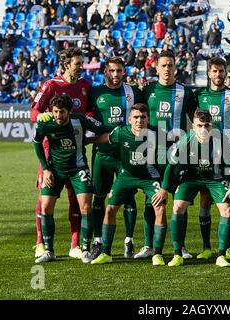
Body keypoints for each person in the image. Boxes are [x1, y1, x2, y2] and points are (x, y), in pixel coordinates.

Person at [30, 48, 94, 260]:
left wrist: (84, 123)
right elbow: (34, 112)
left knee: (77, 199)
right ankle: (41, 243)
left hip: (76, 150)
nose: (81, 66)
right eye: (77, 63)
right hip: (51, 152)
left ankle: (75, 244)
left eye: (81, 63)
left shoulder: (85, 86)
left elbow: (91, 111)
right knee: (45, 198)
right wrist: (46, 117)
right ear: (66, 65)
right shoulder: (51, 85)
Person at [154, 109, 230, 267]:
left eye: (207, 125)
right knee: (177, 208)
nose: (203, 129)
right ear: (193, 126)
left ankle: (221, 255)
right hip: (191, 178)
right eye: (199, 125)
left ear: (212, 125)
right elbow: (171, 167)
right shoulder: (186, 140)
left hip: (214, 178)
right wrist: (164, 189)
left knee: (227, 210)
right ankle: (177, 254)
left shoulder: (222, 140)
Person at [33, 94, 110, 263]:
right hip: (55, 170)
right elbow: (37, 142)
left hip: (78, 169)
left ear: (70, 111)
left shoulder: (80, 120)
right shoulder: (46, 122)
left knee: (86, 206)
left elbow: (104, 128)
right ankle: (49, 251)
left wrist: (125, 127)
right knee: (45, 207)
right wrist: (45, 169)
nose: (58, 116)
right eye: (55, 112)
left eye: (62, 112)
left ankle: (85, 250)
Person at [89, 103, 168, 266]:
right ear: (130, 119)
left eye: (143, 117)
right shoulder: (121, 132)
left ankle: (157, 253)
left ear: (148, 119)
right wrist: (87, 140)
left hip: (149, 176)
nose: (139, 120)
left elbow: (167, 161)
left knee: (159, 208)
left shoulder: (157, 133)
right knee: (110, 209)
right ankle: (106, 252)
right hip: (126, 176)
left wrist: (164, 187)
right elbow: (105, 138)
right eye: (136, 117)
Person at [140, 50, 196, 259]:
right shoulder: (148, 90)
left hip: (178, 153)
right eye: (163, 65)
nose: (166, 69)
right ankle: (148, 245)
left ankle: (180, 246)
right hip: (153, 152)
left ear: (175, 67)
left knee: (179, 200)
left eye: (170, 65)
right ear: (156, 67)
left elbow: (194, 122)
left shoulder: (185, 92)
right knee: (151, 200)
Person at [88, 57, 143, 261]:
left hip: (126, 153)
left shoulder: (132, 92)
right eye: (112, 71)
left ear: (124, 72)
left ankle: (129, 240)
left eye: (119, 70)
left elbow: (144, 114)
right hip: (102, 153)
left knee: (128, 196)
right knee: (99, 196)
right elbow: (86, 116)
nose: (116, 74)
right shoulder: (95, 92)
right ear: (105, 72)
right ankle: (98, 241)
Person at [193, 57, 230, 260]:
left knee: (228, 200)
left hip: (227, 155)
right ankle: (206, 247)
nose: (218, 74)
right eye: (214, 71)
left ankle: (228, 246)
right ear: (208, 73)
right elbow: (194, 118)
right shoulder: (199, 95)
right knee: (204, 199)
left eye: (221, 71)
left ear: (226, 73)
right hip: (204, 154)